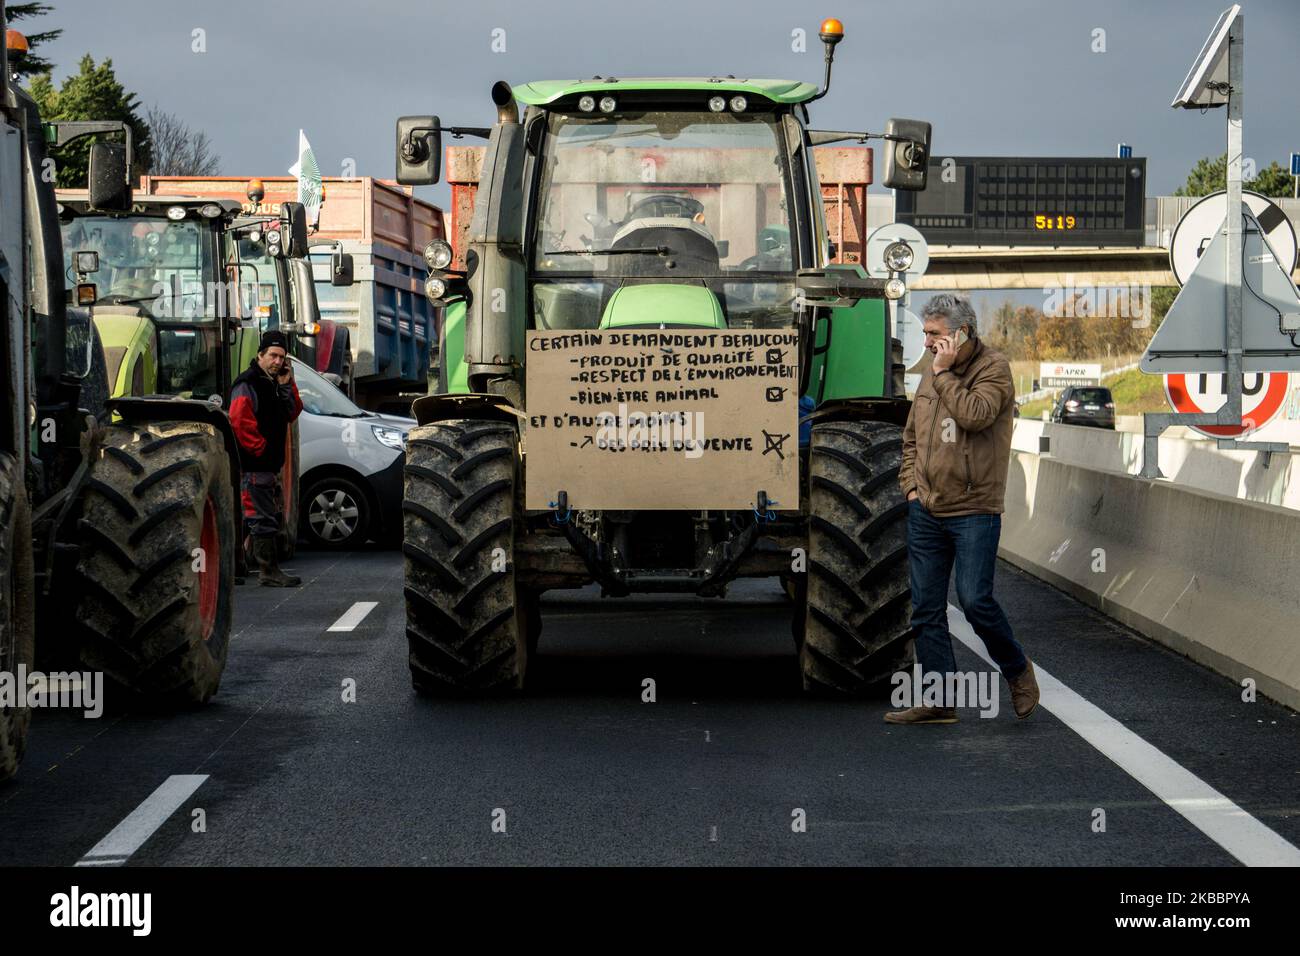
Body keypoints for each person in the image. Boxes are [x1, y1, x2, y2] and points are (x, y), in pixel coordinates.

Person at [888, 294, 1039, 724]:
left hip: (974, 507)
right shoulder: (929, 374)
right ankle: (939, 699)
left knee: (975, 601)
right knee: (926, 609)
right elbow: (912, 438)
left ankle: (1017, 670)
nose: (928, 341)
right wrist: (910, 489)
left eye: (934, 334)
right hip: (927, 510)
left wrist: (943, 374)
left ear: (961, 333)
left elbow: (975, 415)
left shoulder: (993, 369)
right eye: (926, 333)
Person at [230, 330, 303, 587]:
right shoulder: (248, 383)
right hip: (255, 464)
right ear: (260, 355)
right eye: (272, 355)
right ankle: (268, 571)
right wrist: (260, 450)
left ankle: (235, 569)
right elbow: (239, 420)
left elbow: (293, 411)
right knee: (262, 518)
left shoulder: (274, 383)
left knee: (249, 518)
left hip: (266, 465)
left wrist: (287, 384)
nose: (277, 361)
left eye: (281, 357)